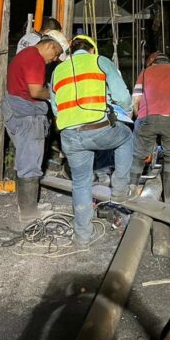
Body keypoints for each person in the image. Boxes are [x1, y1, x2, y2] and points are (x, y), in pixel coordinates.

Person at [49, 35, 134, 246]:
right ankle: (120, 191)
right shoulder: (100, 61)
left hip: (69, 135)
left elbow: (55, 108)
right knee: (126, 139)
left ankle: (82, 237)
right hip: (98, 128)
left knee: (80, 183)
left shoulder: (58, 70)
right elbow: (123, 97)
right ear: (92, 50)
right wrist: (127, 111)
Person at [1, 36, 64, 222]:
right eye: (56, 53)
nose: (55, 59)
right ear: (50, 45)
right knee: (30, 164)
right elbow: (36, 91)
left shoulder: (24, 54)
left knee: (23, 159)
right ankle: (29, 213)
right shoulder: (35, 58)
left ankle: (27, 205)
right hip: (29, 116)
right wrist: (54, 94)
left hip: (16, 111)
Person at [131, 51, 170, 205]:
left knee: (138, 155)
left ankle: (131, 192)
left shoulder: (146, 72)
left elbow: (136, 101)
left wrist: (140, 120)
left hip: (147, 118)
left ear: (152, 63)